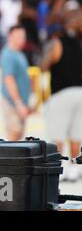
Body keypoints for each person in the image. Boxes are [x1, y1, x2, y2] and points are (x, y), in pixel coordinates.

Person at [41, 10, 82, 182]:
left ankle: (61, 168)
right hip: (80, 92)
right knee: (76, 135)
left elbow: (44, 65)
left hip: (61, 92)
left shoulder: (57, 43)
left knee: (58, 134)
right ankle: (74, 168)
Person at [0, 25, 33, 141]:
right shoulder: (8, 54)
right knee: (14, 137)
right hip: (12, 103)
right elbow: (9, 79)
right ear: (10, 36)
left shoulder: (19, 54)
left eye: (23, 36)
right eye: (18, 36)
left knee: (18, 137)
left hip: (19, 103)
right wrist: (18, 103)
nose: (22, 39)